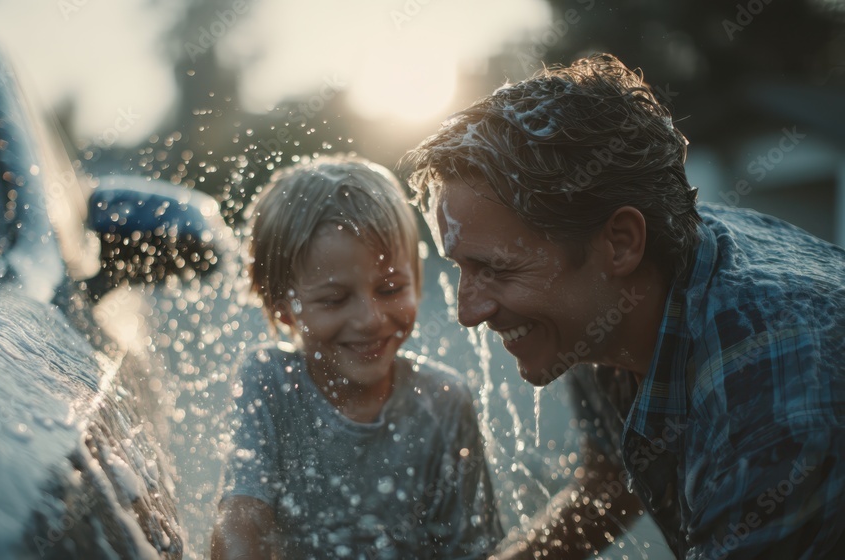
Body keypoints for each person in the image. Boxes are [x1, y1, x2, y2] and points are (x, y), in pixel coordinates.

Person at [404, 54, 845, 559]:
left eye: (497, 269)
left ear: (620, 242)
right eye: (461, 266)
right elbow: (610, 484)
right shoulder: (605, 302)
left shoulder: (773, 410)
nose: (468, 312)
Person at [211, 155, 504, 559]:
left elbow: (473, 551)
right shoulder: (270, 380)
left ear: (417, 283)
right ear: (283, 308)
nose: (369, 319)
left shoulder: (444, 401)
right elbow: (242, 516)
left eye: (390, 289)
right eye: (334, 299)